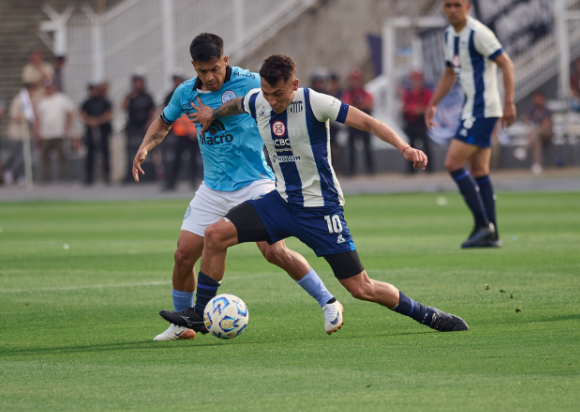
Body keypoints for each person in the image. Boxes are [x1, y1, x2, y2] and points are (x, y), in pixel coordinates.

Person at [161, 53, 468, 335]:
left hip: (322, 211)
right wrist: (213, 114)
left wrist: (404, 147)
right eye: (266, 93)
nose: (271, 101)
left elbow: (369, 122)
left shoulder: (315, 102)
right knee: (215, 234)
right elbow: (237, 104)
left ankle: (428, 315)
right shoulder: (258, 100)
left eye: (278, 94)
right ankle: (200, 313)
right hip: (281, 203)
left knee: (361, 288)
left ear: (294, 85)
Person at [132, 33, 341, 341]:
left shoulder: (250, 82)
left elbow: (286, 98)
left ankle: (328, 302)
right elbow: (163, 122)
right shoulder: (185, 93)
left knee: (273, 251)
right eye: (203, 71)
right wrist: (144, 148)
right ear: (194, 67)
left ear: (225, 60)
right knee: (183, 255)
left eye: (215, 68)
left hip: (256, 182)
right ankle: (182, 325)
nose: (210, 76)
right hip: (213, 188)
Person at [425, 0, 516, 248]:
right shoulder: (449, 36)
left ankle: (483, 225)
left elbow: (506, 64)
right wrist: (433, 103)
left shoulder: (479, 33)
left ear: (467, 6)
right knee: (479, 172)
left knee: (452, 163)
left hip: (483, 109)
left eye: (457, 4)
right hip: (472, 109)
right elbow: (448, 73)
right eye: (447, 5)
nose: (452, 9)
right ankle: (492, 233)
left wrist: (509, 102)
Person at [162, 73, 200, 191]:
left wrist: (194, 129)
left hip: (192, 132)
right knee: (177, 158)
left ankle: (193, 181)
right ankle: (171, 182)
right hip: (182, 132)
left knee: (194, 159)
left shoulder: (193, 95)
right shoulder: (173, 95)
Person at [35, 80, 75, 182]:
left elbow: (70, 112)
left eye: (50, 87)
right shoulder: (42, 101)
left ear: (54, 87)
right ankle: (46, 175)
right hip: (45, 134)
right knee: (45, 156)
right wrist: (37, 132)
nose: (49, 89)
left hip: (59, 133)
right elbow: (38, 118)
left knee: (62, 155)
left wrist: (68, 126)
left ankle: (63, 175)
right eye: (47, 87)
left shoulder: (61, 99)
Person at [122, 75, 155, 183]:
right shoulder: (131, 96)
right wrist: (129, 97)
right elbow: (123, 107)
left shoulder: (147, 96)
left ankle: (148, 175)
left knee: (146, 152)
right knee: (131, 152)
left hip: (144, 128)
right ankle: (131, 176)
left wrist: (149, 123)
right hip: (132, 128)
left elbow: (152, 110)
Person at [342, 69, 374, 175]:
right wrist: (359, 105)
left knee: (368, 147)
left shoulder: (365, 92)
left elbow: (369, 104)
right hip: (352, 124)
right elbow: (345, 105)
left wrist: (358, 105)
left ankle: (370, 170)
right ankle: (351, 171)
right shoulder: (348, 93)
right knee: (351, 147)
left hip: (364, 124)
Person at [80, 82, 113, 185]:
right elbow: (82, 115)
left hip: (103, 130)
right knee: (90, 154)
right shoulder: (87, 102)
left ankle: (107, 176)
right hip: (90, 131)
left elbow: (109, 114)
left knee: (105, 154)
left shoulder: (104, 101)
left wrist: (98, 121)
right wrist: (91, 121)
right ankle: (89, 177)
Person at [402, 71, 434, 173]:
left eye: (418, 80)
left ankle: (429, 168)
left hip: (421, 122)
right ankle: (411, 169)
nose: (416, 83)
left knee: (426, 145)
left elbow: (430, 107)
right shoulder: (408, 94)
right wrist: (412, 109)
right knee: (410, 147)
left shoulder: (426, 93)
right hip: (411, 122)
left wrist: (420, 110)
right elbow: (404, 107)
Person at [5, 83, 36, 185]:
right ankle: (11, 172)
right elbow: (14, 116)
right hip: (17, 134)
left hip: (27, 134)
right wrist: (25, 118)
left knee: (25, 156)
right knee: (17, 156)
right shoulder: (18, 100)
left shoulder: (30, 101)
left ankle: (20, 176)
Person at [522, 92, 552, 175]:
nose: (537, 101)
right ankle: (537, 164)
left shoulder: (547, 110)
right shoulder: (532, 110)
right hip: (536, 135)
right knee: (536, 140)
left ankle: (524, 149)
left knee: (536, 131)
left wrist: (532, 131)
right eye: (535, 99)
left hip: (547, 133)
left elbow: (546, 126)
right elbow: (525, 119)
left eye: (539, 98)